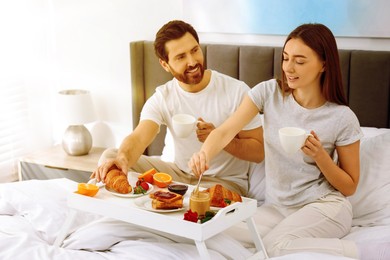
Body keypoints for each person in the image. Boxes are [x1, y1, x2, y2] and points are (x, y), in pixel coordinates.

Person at [189, 23, 368, 258]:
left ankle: (351, 251)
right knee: (212, 229)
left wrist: (320, 156)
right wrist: (205, 154)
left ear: (324, 64)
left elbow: (350, 186)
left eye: (300, 61)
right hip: (276, 208)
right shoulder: (268, 93)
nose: (288, 68)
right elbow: (225, 131)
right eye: (285, 58)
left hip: (325, 206)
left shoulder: (342, 117)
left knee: (272, 247)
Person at [91, 20, 264, 195]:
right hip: (176, 175)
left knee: (199, 202)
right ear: (165, 64)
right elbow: (139, 137)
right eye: (181, 57)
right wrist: (122, 159)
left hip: (223, 182)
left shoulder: (236, 91)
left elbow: (259, 151)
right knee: (110, 157)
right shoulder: (163, 97)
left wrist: (222, 140)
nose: (192, 62)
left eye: (195, 50)